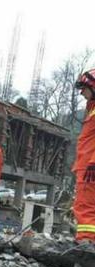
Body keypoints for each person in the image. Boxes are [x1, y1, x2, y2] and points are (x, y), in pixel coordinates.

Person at [74, 69, 95, 243]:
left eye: (84, 88)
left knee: (85, 206)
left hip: (90, 168)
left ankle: (86, 242)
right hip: (87, 165)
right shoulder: (92, 111)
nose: (81, 92)